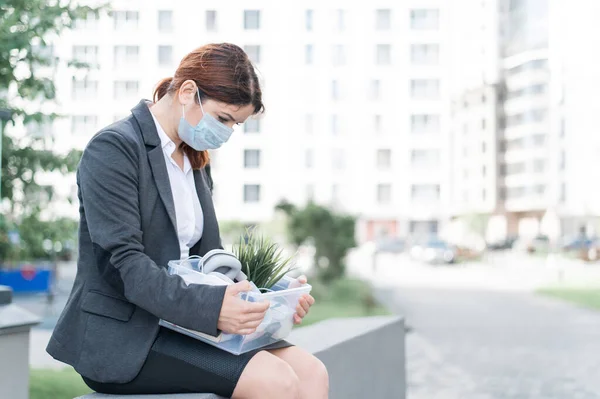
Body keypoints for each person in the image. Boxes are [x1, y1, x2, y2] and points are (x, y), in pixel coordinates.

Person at [47, 43, 329, 399]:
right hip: (128, 334)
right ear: (186, 92)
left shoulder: (193, 158)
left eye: (235, 124)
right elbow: (122, 267)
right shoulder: (114, 149)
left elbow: (209, 261)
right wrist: (212, 310)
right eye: (223, 118)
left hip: (185, 325)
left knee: (311, 374)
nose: (226, 132)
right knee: (276, 381)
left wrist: (270, 301)